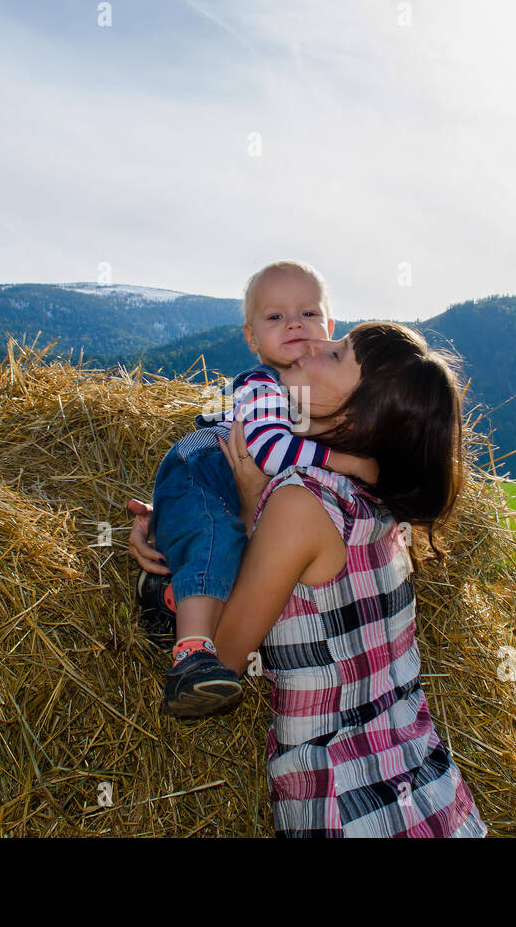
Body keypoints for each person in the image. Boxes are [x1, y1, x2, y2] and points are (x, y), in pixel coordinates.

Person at [128, 321, 488, 837]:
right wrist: (168, 522)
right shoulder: (378, 497)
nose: (313, 344)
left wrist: (251, 501)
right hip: (436, 798)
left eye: (338, 355)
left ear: (358, 417)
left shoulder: (300, 500)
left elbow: (223, 656)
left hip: (346, 806)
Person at [139, 261, 378, 717]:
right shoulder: (262, 385)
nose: (293, 323)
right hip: (203, 464)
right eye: (275, 317)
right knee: (212, 536)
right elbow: (268, 454)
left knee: (224, 545)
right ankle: (193, 654)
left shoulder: (318, 400)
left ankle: (167, 594)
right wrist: (346, 462)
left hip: (227, 478)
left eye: (308, 314)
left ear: (330, 327)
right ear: (251, 339)